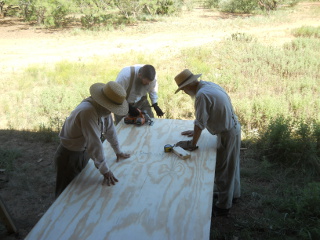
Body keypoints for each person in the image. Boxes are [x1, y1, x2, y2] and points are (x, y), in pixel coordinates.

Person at [174, 69, 241, 216]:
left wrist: (192, 143)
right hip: (233, 127)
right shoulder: (208, 85)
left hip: (227, 133)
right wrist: (197, 131)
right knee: (232, 166)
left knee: (223, 170)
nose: (184, 92)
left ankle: (223, 206)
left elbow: (199, 123)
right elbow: (205, 119)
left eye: (183, 89)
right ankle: (234, 195)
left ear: (189, 85)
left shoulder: (201, 95)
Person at [54, 81, 130, 198]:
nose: (111, 111)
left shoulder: (103, 109)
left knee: (80, 192)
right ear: (104, 102)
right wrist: (105, 170)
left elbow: (110, 130)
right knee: (65, 195)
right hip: (70, 156)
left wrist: (118, 151)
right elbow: (94, 142)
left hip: (82, 152)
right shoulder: (88, 111)